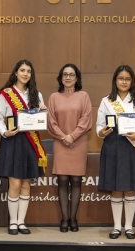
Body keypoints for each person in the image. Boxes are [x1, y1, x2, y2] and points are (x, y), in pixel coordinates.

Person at [96, 65, 135, 239]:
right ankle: (116, 227)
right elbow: (98, 126)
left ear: (132, 81)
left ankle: (129, 227)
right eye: (121, 78)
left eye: (127, 79)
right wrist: (101, 132)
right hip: (112, 146)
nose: (124, 82)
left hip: (132, 147)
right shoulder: (106, 101)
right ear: (115, 80)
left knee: (130, 189)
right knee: (116, 189)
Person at [0, 59, 47, 235]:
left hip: (30, 141)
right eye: (22, 70)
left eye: (29, 71)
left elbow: (41, 120)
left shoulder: (36, 95)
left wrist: (43, 113)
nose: (25, 74)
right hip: (13, 140)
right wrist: (4, 132)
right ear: (16, 72)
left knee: (26, 183)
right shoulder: (6, 94)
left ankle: (21, 222)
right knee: (14, 183)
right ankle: (13, 222)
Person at [48, 63, 92, 233]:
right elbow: (51, 121)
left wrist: (72, 136)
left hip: (78, 142)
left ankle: (74, 218)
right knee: (62, 180)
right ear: (60, 78)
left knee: (76, 181)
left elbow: (86, 119)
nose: (68, 77)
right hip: (60, 142)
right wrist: (63, 136)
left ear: (77, 78)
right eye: (65, 74)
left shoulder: (84, 96)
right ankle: (64, 219)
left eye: (71, 74)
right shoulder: (53, 97)